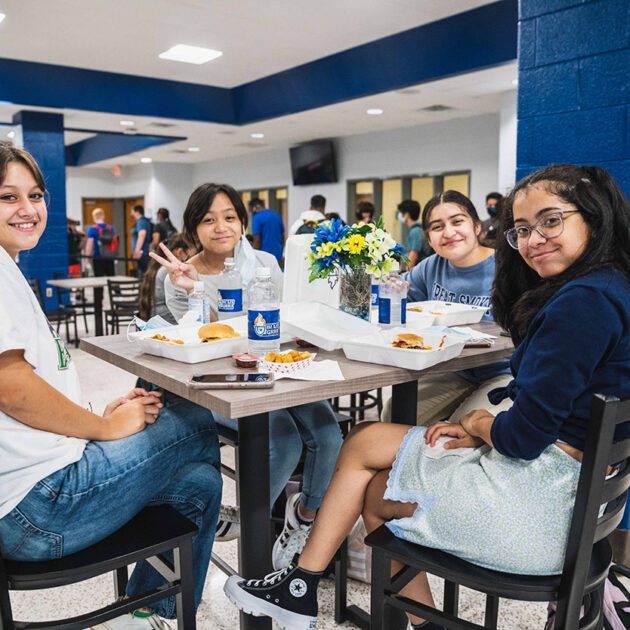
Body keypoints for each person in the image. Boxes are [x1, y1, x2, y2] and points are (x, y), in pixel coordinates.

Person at [223, 163, 630, 630]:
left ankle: (307, 589)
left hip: (541, 515)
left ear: (594, 218)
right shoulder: (610, 287)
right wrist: (483, 430)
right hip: (581, 504)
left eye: (551, 221)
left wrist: (478, 426)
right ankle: (303, 588)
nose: (534, 239)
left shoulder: (582, 304)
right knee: (368, 454)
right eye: (522, 229)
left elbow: (523, 438)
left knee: (370, 470)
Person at [0, 142, 222, 629]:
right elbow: (12, 389)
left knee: (202, 486)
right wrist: (104, 431)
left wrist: (99, 418)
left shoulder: (9, 269)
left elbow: (32, 386)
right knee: (197, 422)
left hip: (36, 491)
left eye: (35, 195)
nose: (27, 209)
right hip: (38, 507)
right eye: (7, 197)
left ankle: (148, 615)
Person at [152, 183, 343, 569]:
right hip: (218, 385)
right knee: (285, 439)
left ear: (242, 221)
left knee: (329, 433)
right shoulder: (177, 275)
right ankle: (250, 527)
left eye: (230, 217)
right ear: (193, 228)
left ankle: (302, 519)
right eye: (208, 220)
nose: (221, 227)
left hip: (275, 370)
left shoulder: (265, 265)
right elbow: (196, 341)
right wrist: (192, 291)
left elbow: (286, 320)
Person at [382, 190, 512, 426]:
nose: (449, 232)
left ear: (476, 227)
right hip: (454, 370)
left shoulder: (507, 268)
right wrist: (391, 288)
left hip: (503, 373)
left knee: (457, 427)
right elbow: (401, 301)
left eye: (457, 221)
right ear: (429, 238)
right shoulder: (431, 267)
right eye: (437, 227)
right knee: (395, 412)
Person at [138, 233, 190, 325]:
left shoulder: (160, 267)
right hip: (167, 321)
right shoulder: (169, 271)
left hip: (157, 317)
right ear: (180, 252)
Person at [397, 199, 432, 268]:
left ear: (406, 214)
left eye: (401, 213)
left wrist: (406, 275)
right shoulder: (419, 229)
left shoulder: (415, 232)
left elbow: (413, 255)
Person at [250, 197, 285, 262]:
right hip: (278, 255)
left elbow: (257, 239)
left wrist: (254, 257)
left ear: (255, 207)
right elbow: (283, 237)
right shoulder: (277, 215)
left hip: (264, 256)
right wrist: (281, 253)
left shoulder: (257, 217)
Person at [85, 208, 117, 276]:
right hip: (109, 256)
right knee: (111, 278)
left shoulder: (92, 229)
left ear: (94, 217)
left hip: (97, 256)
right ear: (103, 216)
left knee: (98, 280)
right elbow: (114, 243)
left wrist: (87, 259)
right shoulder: (110, 228)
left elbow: (89, 245)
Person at [131, 204, 152, 279]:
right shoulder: (144, 221)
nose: (131, 213)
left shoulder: (141, 222)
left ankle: (143, 290)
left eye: (132, 211)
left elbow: (142, 235)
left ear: (137, 212)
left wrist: (137, 251)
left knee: (142, 275)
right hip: (144, 252)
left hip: (142, 253)